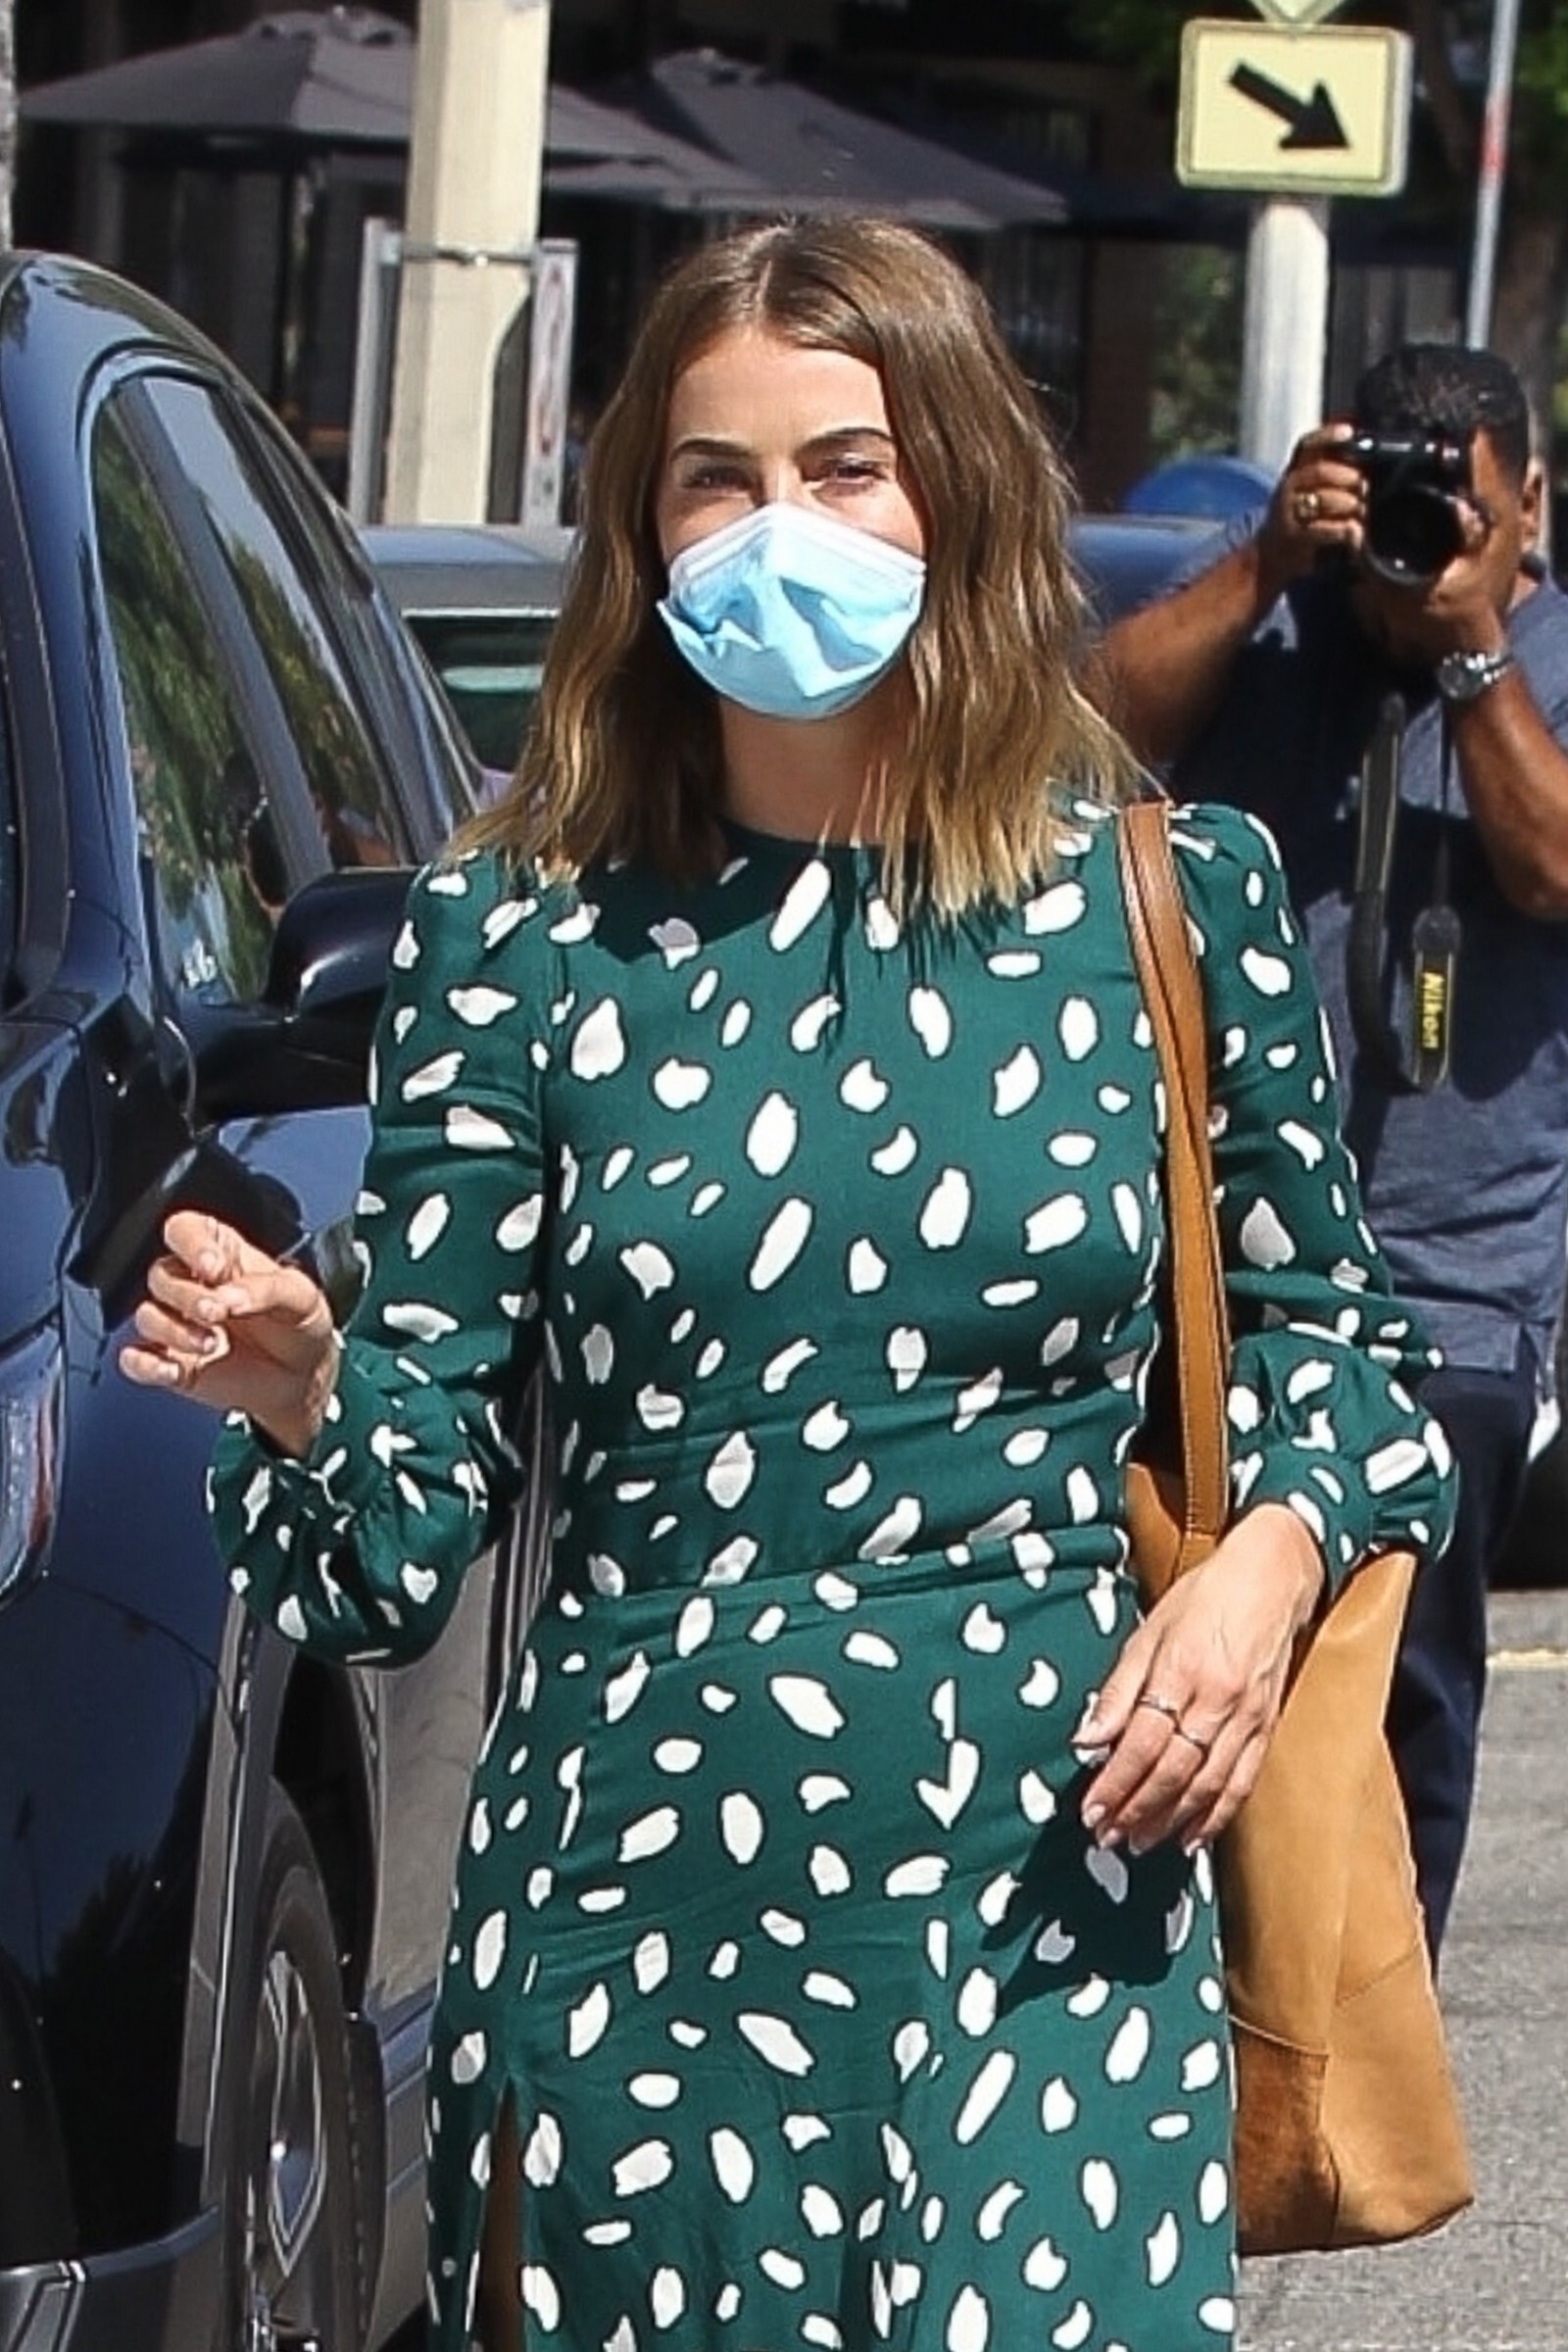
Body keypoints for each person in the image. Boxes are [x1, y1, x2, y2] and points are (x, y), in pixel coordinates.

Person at [121, 220, 1453, 2352]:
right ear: (644, 536)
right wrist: (301, 1389)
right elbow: (391, 1552)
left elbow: (1347, 1361)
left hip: (1051, 1915)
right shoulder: (521, 945)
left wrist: (1257, 1573)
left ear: (962, 497)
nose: (779, 528)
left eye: (845, 467)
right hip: (637, 1951)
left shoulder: (1164, 908)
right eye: (714, 480)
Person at [1093, 341, 1568, 1960]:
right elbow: (1087, 735)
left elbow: (1555, 867)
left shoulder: (1548, 657)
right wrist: (1267, 562)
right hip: (1211, 1260)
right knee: (1169, 1652)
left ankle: (1370, 2012)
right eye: (1394, 498)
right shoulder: (1274, 631)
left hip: (1452, 1280)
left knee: (1400, 1691)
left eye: (1461, 507)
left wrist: (1473, 655)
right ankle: (1183, 1992)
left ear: (1530, 507)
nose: (1421, 539)